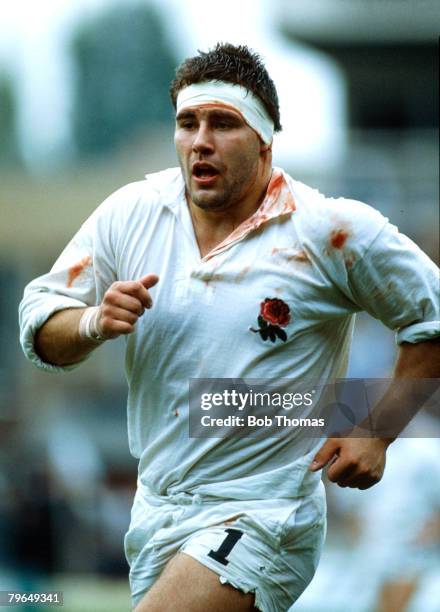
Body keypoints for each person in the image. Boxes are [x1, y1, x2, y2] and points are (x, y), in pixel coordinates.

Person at [19, 43, 439, 611]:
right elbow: (40, 322)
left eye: (223, 123)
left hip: (265, 511)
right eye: (188, 123)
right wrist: (92, 321)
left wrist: (377, 428)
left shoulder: (329, 230)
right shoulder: (131, 212)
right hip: (156, 510)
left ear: (265, 139)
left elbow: (431, 319)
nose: (200, 141)